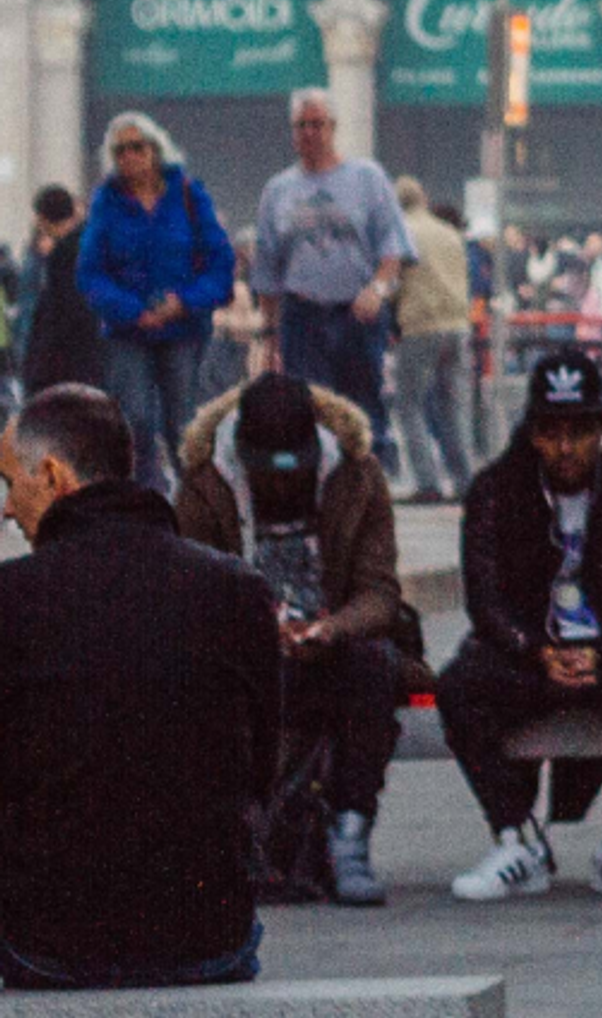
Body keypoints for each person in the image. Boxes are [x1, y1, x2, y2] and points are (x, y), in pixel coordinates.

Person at [0, 384, 281, 989]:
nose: (5, 508)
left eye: (9, 484)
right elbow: (261, 767)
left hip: (49, 945)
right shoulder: (236, 590)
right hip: (209, 935)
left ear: (53, 476)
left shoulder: (10, 600)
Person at [438, 345, 602, 902]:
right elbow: (485, 597)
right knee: (458, 686)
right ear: (532, 432)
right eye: (552, 431)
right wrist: (534, 651)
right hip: (530, 653)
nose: (566, 446)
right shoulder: (495, 489)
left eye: (580, 430)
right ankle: (516, 838)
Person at [173, 370, 407, 905]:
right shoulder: (205, 483)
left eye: (293, 473)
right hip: (241, 654)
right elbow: (188, 589)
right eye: (266, 474)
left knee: (374, 665)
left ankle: (350, 836)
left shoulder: (357, 475)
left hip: (333, 646)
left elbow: (379, 591)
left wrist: (332, 627)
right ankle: (235, 837)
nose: (281, 486)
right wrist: (254, 632)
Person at [250, 90, 412, 479]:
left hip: (356, 314)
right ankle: (318, 485)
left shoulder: (367, 179)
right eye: (302, 125)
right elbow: (268, 268)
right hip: (302, 314)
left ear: (333, 128)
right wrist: (269, 335)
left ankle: (368, 483)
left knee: (363, 406)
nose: (310, 133)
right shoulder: (278, 190)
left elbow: (394, 249)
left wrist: (376, 289)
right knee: (308, 406)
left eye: (317, 124)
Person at [82, 110, 237, 490]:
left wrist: (183, 302)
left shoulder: (188, 194)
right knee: (134, 419)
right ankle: (147, 499)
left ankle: (196, 502)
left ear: (156, 149)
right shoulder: (106, 202)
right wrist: (132, 311)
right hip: (128, 332)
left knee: (182, 424)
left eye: (137, 147)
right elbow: (90, 274)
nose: (129, 156)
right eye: (119, 150)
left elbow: (220, 264)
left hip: (183, 329)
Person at [396, 182, 478, 503]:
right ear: (424, 199)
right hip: (457, 326)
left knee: (409, 404)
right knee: (452, 406)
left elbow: (394, 280)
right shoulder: (449, 233)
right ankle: (464, 480)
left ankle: (428, 481)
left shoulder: (402, 231)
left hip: (420, 325)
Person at [18, 185, 102, 400]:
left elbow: (58, 309)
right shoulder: (88, 243)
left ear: (43, 218)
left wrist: (39, 362)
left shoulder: (62, 253)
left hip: (64, 356)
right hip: (88, 351)